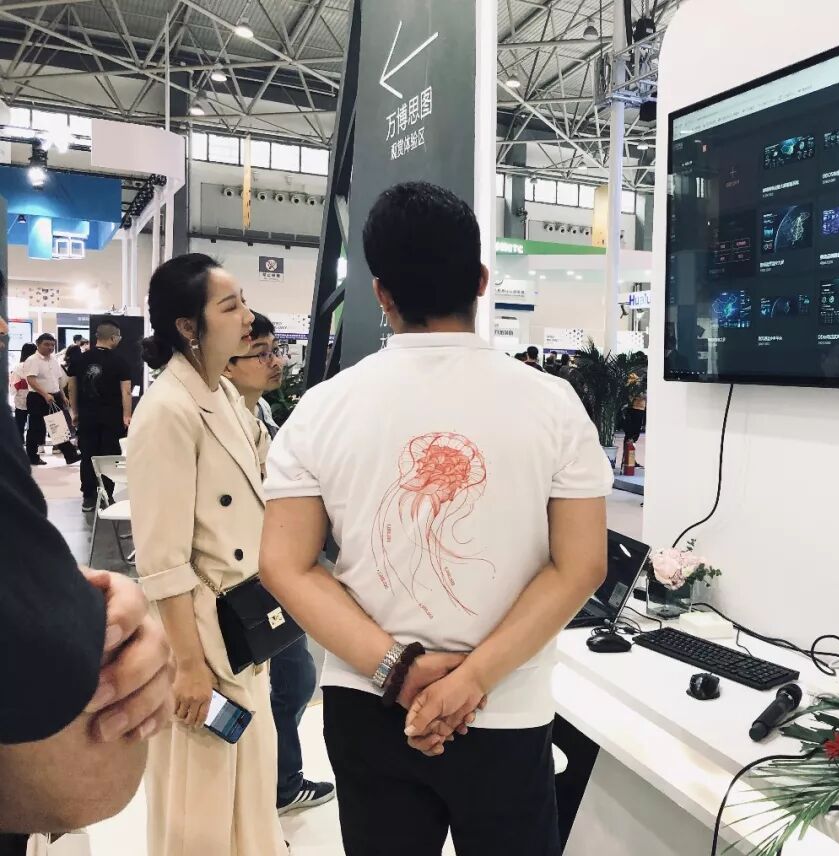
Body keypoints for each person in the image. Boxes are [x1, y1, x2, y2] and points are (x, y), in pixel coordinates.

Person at [260, 182, 612, 856]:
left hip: (367, 701)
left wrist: (397, 670)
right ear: (481, 280)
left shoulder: (322, 408)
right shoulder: (554, 404)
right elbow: (582, 565)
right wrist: (472, 679)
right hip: (504, 704)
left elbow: (285, 564)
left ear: (380, 293)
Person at [126, 254, 287, 856]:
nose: (247, 317)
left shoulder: (223, 397)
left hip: (242, 625)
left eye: (243, 301)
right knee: (203, 798)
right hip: (200, 635)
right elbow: (162, 559)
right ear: (188, 326)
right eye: (230, 306)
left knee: (249, 785)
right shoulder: (166, 410)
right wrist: (189, 666)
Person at [0, 317, 174, 856]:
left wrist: (79, 593)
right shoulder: (155, 396)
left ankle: (86, 495)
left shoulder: (83, 364)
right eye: (231, 307)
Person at [222, 312, 336, 815]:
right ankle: (273, 787)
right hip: (239, 581)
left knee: (292, 679)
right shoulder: (209, 422)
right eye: (261, 353)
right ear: (226, 363)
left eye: (275, 350)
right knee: (285, 681)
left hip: (269, 572)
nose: (276, 362)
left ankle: (274, 783)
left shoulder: (259, 413)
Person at [69, 323, 133, 513]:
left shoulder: (79, 359)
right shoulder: (120, 361)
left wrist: (75, 412)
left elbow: (72, 387)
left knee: (87, 455)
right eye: (119, 337)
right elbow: (126, 391)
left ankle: (88, 497)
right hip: (112, 417)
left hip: (87, 415)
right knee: (109, 455)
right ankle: (106, 495)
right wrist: (127, 415)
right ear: (113, 338)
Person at [22, 333, 79, 465]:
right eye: (46, 344)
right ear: (38, 344)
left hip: (54, 396)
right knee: (36, 428)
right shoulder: (33, 360)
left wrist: (62, 396)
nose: (50, 347)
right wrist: (45, 394)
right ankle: (32, 457)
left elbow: (57, 380)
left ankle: (70, 455)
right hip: (38, 397)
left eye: (52, 345)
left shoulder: (53, 360)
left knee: (58, 426)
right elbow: (31, 380)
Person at [9, 343, 35, 441]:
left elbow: (13, 386)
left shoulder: (18, 367)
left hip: (21, 398)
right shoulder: (37, 366)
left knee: (20, 422)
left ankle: (19, 441)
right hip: (36, 397)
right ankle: (33, 443)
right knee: (34, 423)